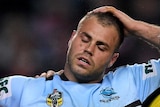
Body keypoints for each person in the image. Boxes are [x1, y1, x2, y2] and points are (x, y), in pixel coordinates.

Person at [0, 6, 160, 107]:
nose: (89, 49)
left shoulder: (134, 81)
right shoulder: (21, 89)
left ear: (113, 59)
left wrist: (137, 28)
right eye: (85, 39)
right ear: (71, 39)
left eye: (101, 46)